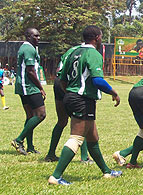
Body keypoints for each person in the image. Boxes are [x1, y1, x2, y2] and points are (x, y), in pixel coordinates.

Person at [48, 25, 122, 185]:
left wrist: (70, 93)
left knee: (92, 137)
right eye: (101, 37)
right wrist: (113, 92)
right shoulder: (93, 53)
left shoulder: (73, 52)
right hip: (82, 100)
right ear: (97, 38)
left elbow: (62, 79)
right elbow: (97, 80)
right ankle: (56, 176)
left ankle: (107, 172)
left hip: (70, 97)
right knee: (76, 138)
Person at [44, 44, 93, 163]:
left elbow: (59, 70)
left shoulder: (71, 50)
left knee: (61, 121)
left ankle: (51, 154)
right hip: (71, 84)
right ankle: (84, 157)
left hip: (59, 82)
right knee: (82, 120)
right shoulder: (86, 51)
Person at [11, 28, 46, 155]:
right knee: (41, 115)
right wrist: (40, 88)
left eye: (39, 36)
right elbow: (30, 71)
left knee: (30, 116)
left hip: (23, 85)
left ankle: (30, 146)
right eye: (35, 36)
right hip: (28, 86)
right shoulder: (29, 49)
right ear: (28, 36)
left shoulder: (29, 48)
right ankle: (19, 140)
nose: (38, 38)